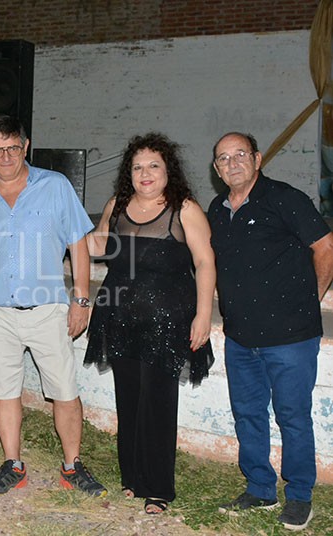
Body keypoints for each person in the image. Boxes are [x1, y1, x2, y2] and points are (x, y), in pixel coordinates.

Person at [0, 114, 107, 497]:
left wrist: (81, 299)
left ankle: (72, 467)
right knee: (5, 391)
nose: (6, 156)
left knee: (64, 391)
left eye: (13, 148)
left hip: (48, 309)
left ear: (26, 147)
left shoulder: (55, 187)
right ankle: (13, 464)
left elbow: (77, 243)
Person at [84, 132, 215, 514]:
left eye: (153, 165)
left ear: (167, 170)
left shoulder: (184, 208)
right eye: (137, 166)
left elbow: (205, 262)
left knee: (158, 402)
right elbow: (98, 247)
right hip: (120, 317)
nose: (145, 173)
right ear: (129, 173)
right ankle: (133, 478)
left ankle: (158, 488)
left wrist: (203, 315)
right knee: (129, 399)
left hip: (167, 321)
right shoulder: (117, 204)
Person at [208, 132, 333, 531]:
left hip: (291, 337)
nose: (233, 163)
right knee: (247, 414)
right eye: (224, 159)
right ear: (216, 169)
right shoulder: (217, 208)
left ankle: (299, 496)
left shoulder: (284, 198)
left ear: (258, 159)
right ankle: (260, 487)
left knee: (293, 415)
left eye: (240, 154)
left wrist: (309, 302)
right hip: (241, 337)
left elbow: (326, 246)